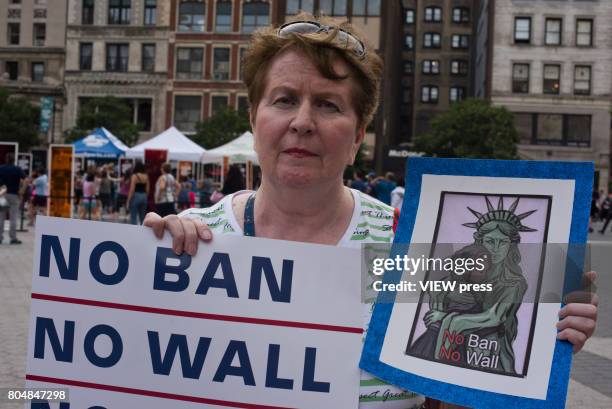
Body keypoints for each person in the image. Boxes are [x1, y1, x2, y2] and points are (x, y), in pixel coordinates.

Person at [142, 13, 597, 408]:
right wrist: (146, 276)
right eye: (283, 100)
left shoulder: (410, 245)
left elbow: (458, 387)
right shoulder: (195, 242)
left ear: (358, 136)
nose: (302, 121)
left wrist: (542, 342)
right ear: (253, 120)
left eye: (327, 104)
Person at [0, 152, 25, 244]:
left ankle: (0, 237)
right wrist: (22, 190)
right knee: (13, 217)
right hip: (14, 195)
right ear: (14, 160)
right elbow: (26, 180)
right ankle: (13, 238)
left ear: (6, 159)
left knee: (1, 217)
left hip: (2, 195)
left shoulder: (1, 168)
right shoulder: (17, 169)